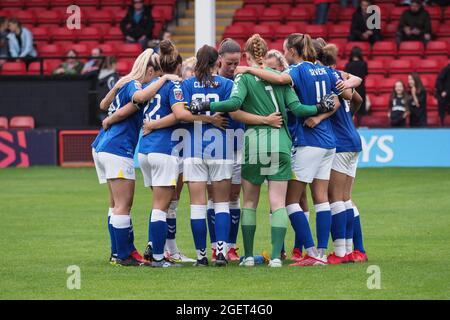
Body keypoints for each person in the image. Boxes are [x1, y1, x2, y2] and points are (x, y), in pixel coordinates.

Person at [189, 34, 336, 268]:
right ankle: (277, 257)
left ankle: (247, 256)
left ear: (246, 55)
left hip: (255, 144)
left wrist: (207, 106)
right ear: (266, 52)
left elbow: (234, 105)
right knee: (278, 202)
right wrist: (320, 107)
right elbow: (297, 109)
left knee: (249, 203)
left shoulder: (243, 78)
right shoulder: (280, 77)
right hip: (280, 144)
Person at [234, 33, 344, 267]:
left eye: (285, 50)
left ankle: (310, 252)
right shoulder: (325, 70)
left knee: (290, 201)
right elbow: (340, 96)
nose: (284, 55)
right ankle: (322, 252)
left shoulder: (296, 70)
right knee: (320, 199)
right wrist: (322, 114)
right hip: (329, 141)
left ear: (293, 52)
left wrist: (250, 70)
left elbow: (280, 80)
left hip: (307, 141)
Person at [92, 48, 181, 266]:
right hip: (117, 147)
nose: (157, 77)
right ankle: (124, 255)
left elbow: (103, 104)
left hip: (103, 145)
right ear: (149, 70)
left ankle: (118, 252)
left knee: (115, 204)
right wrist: (165, 79)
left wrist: (116, 89)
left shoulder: (125, 82)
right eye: (156, 73)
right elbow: (135, 102)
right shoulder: (135, 85)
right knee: (124, 204)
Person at [170, 44, 234, 267]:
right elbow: (233, 109)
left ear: (197, 61)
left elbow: (182, 116)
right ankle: (221, 252)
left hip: (193, 148)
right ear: (218, 62)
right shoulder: (227, 84)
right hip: (222, 148)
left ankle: (200, 256)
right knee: (222, 203)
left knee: (197, 205)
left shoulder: (186, 85)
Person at [316, 43, 368, 264]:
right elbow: (358, 99)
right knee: (345, 199)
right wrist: (348, 119)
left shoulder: (324, 78)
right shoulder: (338, 76)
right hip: (352, 138)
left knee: (334, 198)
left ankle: (340, 253)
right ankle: (356, 250)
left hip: (340, 142)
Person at [345, 46, 368, 125]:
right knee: (360, 109)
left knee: (351, 109)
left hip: (351, 89)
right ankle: (359, 124)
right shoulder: (363, 64)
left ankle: (351, 124)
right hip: (361, 89)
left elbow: (346, 77)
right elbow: (365, 74)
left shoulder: (348, 65)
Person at [96, 56, 119, 121]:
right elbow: (115, 91)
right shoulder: (112, 76)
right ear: (113, 64)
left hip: (101, 107)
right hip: (110, 108)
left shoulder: (100, 75)